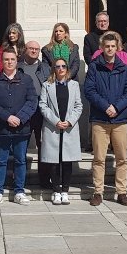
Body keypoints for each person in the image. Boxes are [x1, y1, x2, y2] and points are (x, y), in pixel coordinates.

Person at [83, 31, 127, 206]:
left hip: (120, 120)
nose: (110, 49)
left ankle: (121, 192)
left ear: (117, 47)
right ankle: (98, 192)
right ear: (101, 48)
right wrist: (106, 106)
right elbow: (89, 91)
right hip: (100, 119)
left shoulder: (124, 68)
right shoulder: (94, 67)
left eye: (113, 46)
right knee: (99, 158)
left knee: (122, 158)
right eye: (107, 46)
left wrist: (117, 107)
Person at [0, 49, 39, 206]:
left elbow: (32, 101)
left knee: (20, 160)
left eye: (12, 59)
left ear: (17, 61)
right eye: (6, 59)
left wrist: (20, 118)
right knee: (1, 161)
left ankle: (19, 191)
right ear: (2, 61)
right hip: (1, 128)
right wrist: (7, 117)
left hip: (21, 128)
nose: (9, 62)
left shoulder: (26, 80)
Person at [39, 57, 83, 205]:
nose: (61, 69)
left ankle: (65, 190)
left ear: (67, 69)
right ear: (54, 69)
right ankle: (56, 190)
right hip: (53, 127)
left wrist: (69, 121)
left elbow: (78, 105)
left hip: (69, 127)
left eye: (63, 66)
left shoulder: (74, 85)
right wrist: (55, 121)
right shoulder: (47, 85)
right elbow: (43, 105)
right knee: (54, 161)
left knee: (67, 161)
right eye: (57, 66)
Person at [19, 40, 51, 188]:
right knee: (21, 145)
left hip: (41, 109)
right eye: (31, 48)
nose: (34, 51)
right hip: (23, 109)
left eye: (36, 49)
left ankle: (44, 180)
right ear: (25, 50)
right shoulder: (17, 67)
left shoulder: (45, 68)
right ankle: (19, 180)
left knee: (43, 145)